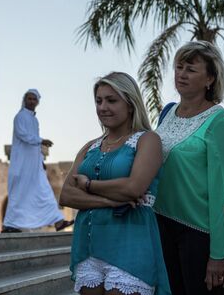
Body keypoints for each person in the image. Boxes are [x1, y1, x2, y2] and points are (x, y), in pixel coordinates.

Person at [60, 72, 170, 295]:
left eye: (111, 100)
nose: (103, 107)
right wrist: (110, 201)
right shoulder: (89, 146)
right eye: (98, 101)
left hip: (131, 241)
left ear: (130, 104)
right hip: (88, 244)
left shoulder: (147, 140)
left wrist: (88, 185)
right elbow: (66, 196)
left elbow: (134, 188)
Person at [153, 40, 224, 295]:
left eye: (191, 69)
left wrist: (218, 254)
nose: (181, 74)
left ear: (210, 79)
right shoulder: (167, 113)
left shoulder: (219, 121)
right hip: (162, 226)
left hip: (201, 235)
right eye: (179, 67)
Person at [2, 89, 72, 232]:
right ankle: (9, 225)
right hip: (22, 166)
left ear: (38, 102)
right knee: (18, 193)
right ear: (24, 100)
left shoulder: (34, 120)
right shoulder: (20, 117)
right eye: (29, 98)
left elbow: (33, 146)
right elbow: (23, 135)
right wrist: (41, 141)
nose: (31, 101)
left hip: (34, 167)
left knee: (44, 191)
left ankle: (58, 222)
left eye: (34, 99)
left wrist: (40, 161)